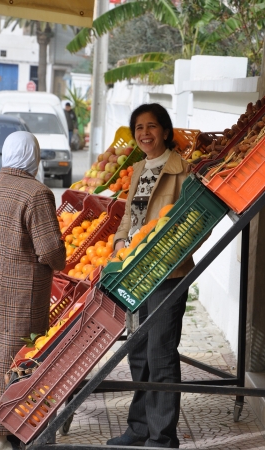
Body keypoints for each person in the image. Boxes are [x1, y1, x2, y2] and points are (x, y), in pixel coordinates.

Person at [0, 131, 66, 450]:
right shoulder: (36, 193)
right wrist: (60, 258)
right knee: (15, 359)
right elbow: (50, 251)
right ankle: (0, 435)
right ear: (33, 157)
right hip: (19, 295)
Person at [107, 103, 194, 448]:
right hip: (135, 272)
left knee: (160, 352)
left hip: (167, 273)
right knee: (139, 351)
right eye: (139, 127)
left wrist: (164, 253)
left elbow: (189, 224)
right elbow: (130, 216)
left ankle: (162, 435)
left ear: (166, 130)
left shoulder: (181, 169)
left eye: (152, 126)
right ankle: (140, 427)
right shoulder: (139, 168)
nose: (145, 133)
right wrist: (117, 245)